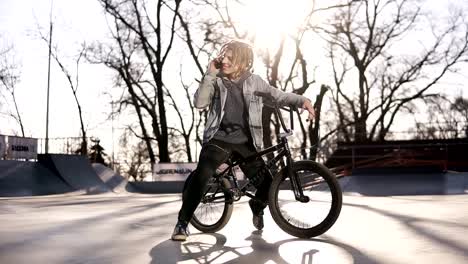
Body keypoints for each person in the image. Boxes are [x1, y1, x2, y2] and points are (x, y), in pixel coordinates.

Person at [171, 40, 315, 241]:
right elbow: (200, 102)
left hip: (247, 143)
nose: (225, 60)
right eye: (224, 56)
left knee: (268, 185)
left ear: (243, 62)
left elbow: (278, 95)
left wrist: (303, 101)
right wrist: (210, 73)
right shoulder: (216, 80)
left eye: (231, 57)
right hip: (218, 140)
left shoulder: (254, 81)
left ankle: (256, 205)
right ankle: (182, 223)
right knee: (203, 173)